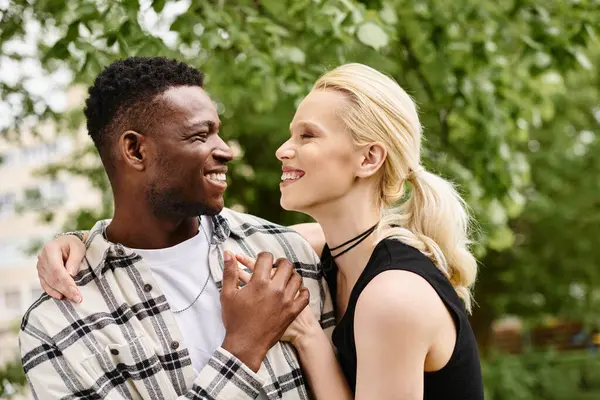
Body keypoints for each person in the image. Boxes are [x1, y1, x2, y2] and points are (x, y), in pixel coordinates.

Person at [37, 63, 484, 399]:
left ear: (369, 159)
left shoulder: (377, 287)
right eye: (200, 136)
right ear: (134, 150)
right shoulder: (306, 248)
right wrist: (82, 242)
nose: (282, 149)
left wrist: (279, 338)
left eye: (307, 135)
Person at [19, 57, 334, 400]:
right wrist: (243, 349)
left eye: (218, 131)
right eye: (200, 135)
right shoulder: (58, 322)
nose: (226, 151)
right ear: (135, 150)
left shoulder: (284, 253)